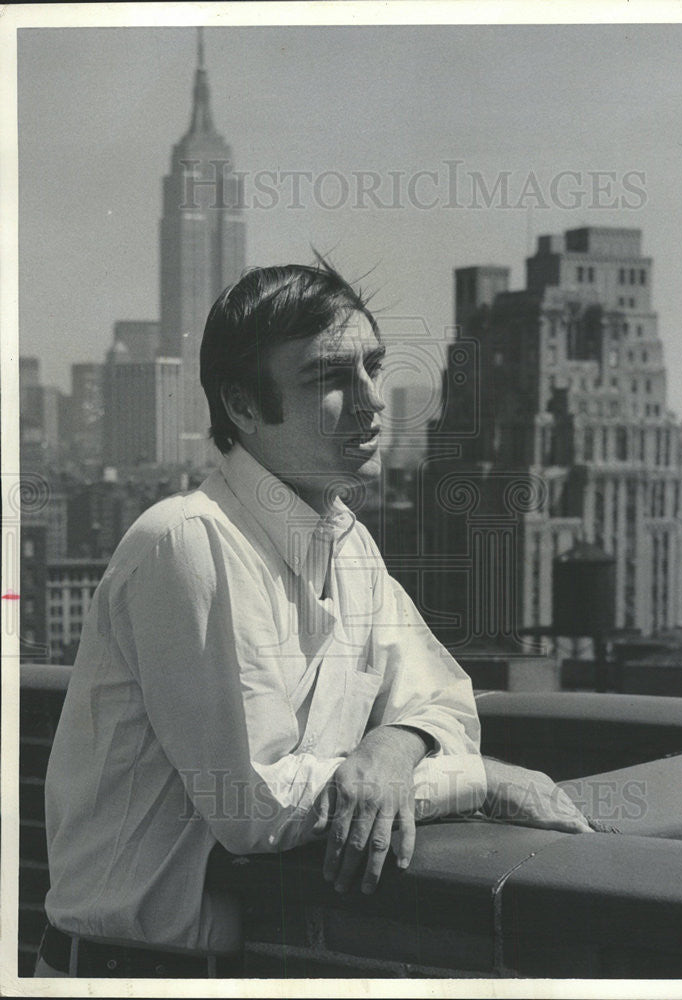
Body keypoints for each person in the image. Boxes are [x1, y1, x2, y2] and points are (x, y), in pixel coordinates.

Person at [36, 261, 591, 979]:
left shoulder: (347, 543)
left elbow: (444, 703)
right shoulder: (190, 542)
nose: (371, 402)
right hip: (122, 974)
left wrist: (391, 749)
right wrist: (476, 782)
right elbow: (257, 805)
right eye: (328, 378)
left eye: (373, 367)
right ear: (240, 403)